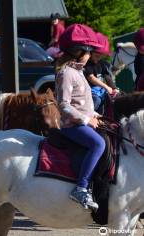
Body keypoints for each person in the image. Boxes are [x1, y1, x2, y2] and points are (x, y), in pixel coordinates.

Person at [55, 24, 106, 210]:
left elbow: (83, 104)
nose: (91, 55)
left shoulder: (78, 72)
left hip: (83, 122)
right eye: (89, 51)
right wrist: (86, 120)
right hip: (71, 126)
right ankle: (81, 188)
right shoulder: (66, 73)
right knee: (98, 144)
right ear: (79, 52)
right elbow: (64, 105)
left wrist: (96, 115)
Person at [84, 32, 119, 113]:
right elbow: (91, 78)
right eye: (96, 55)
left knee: (111, 101)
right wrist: (106, 87)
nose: (99, 58)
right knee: (96, 100)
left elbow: (107, 76)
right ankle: (88, 117)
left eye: (101, 56)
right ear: (90, 52)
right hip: (90, 92)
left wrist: (114, 88)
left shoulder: (101, 63)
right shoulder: (87, 64)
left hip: (100, 91)